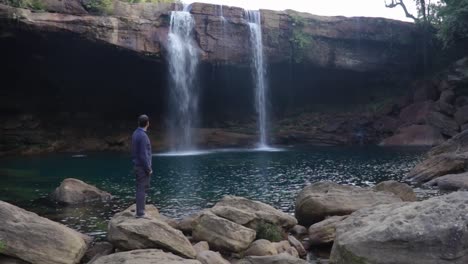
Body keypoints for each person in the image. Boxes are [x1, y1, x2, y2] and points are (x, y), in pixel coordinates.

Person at [131, 114, 153, 218]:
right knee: (142, 189)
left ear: (138, 123)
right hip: (142, 167)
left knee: (141, 188)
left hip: (137, 165)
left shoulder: (135, 133)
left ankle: (140, 210)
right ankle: (140, 213)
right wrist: (148, 169)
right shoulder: (143, 136)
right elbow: (143, 155)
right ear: (147, 123)